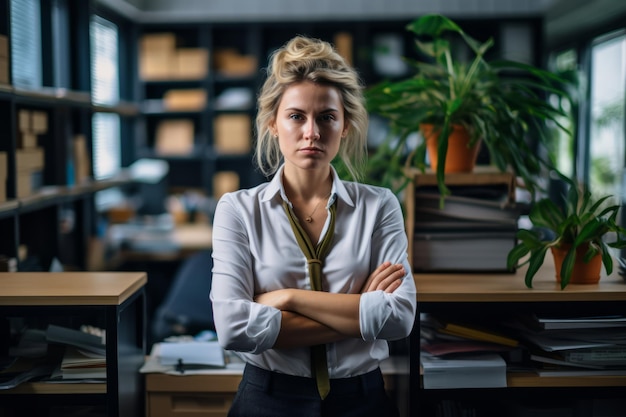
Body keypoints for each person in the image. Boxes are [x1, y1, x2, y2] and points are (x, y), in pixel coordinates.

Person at [210, 35, 417, 417]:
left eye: (326, 117)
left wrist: (287, 299)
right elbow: (233, 328)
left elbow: (399, 317)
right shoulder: (237, 210)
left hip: (363, 399)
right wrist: (361, 312)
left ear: (346, 125)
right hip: (267, 400)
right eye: (296, 116)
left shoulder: (380, 205)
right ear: (273, 123)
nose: (312, 133)